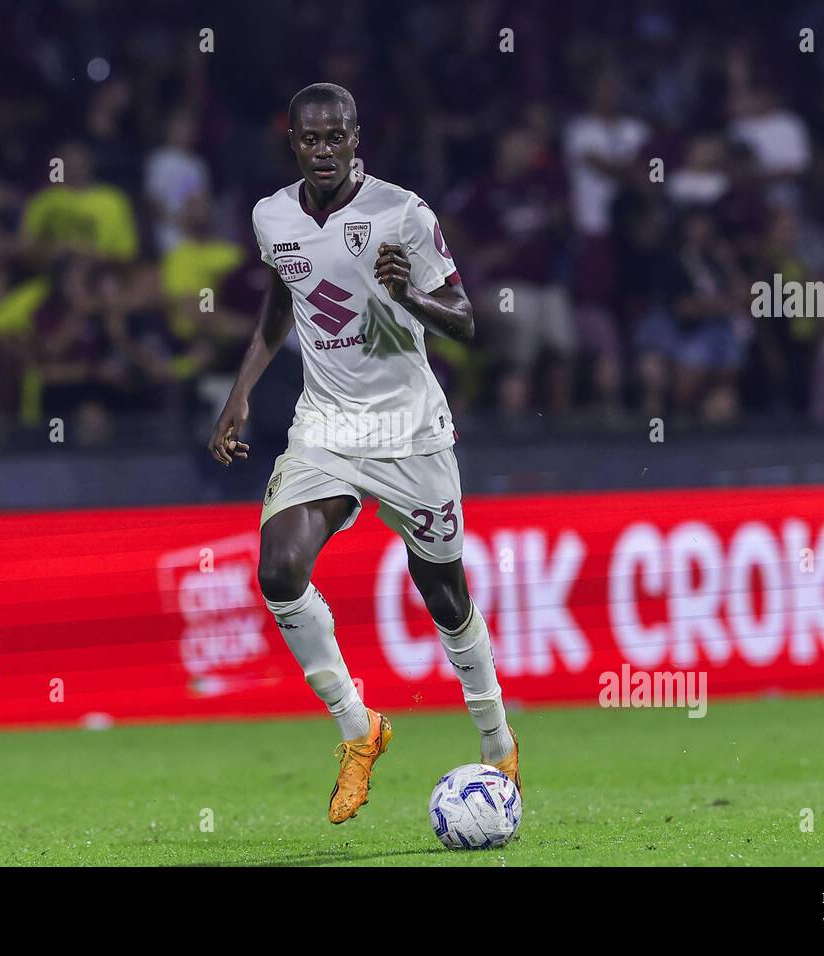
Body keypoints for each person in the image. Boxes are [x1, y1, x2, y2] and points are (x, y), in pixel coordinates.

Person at [207, 83, 519, 825]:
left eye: (335, 137)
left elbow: (467, 322)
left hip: (410, 432)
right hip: (328, 428)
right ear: (293, 142)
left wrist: (409, 297)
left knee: (443, 592)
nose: (323, 150)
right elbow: (283, 300)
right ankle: (358, 728)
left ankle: (497, 741)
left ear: (356, 139)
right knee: (278, 568)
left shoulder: (403, 213)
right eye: (309, 139)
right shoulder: (271, 217)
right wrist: (240, 391)